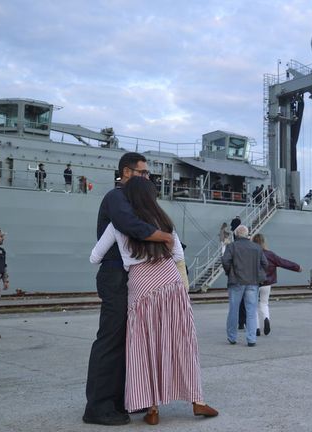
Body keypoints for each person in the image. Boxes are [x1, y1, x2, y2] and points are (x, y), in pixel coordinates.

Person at [89, 176, 217, 425]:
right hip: (170, 282)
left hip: (141, 286)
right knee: (181, 341)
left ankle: (153, 409)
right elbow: (178, 254)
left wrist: (122, 257)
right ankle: (197, 401)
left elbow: (94, 257)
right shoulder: (164, 223)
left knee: (144, 347)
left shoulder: (119, 225)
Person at [83, 152, 175, 427]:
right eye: (142, 173)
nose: (146, 178)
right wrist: (164, 236)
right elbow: (129, 225)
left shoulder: (134, 199)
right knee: (111, 339)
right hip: (114, 275)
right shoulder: (117, 197)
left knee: (131, 340)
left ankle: (123, 399)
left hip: (133, 276)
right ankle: (97, 407)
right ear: (126, 172)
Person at [222, 225, 267, 347]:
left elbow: (225, 261)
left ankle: (232, 337)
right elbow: (265, 263)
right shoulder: (257, 248)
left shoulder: (231, 246)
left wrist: (230, 272)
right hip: (252, 282)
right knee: (251, 311)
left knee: (233, 310)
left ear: (236, 234)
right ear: (247, 235)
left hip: (236, 281)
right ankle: (251, 339)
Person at [252, 234, 301, 336]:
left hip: (253, 283)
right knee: (264, 303)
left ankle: (256, 328)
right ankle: (266, 318)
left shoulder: (251, 254)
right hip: (267, 283)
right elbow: (283, 262)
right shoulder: (270, 255)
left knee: (253, 306)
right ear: (264, 242)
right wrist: (297, 267)